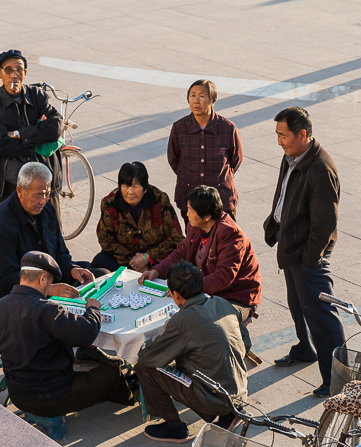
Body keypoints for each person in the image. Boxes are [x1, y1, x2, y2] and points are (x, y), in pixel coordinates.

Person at [0, 162, 118, 364]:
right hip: (16, 294)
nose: (43, 200)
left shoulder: (47, 209)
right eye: (38, 194)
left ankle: (88, 346)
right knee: (53, 312)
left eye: (46, 193)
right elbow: (8, 278)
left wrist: (72, 270)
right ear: (20, 191)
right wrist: (50, 289)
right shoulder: (0, 225)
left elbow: (60, 252)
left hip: (48, 279)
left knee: (98, 274)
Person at [0, 251, 135, 418]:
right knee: (112, 373)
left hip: (17, 394)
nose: (50, 286)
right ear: (42, 279)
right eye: (51, 281)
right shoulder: (48, 310)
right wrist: (93, 310)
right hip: (52, 397)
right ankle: (130, 400)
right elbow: (86, 333)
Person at [263, 107, 345, 397]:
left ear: (303, 134)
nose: (279, 141)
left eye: (283, 135)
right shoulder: (292, 157)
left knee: (322, 316)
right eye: (277, 135)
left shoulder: (320, 169)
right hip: (291, 245)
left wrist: (310, 258)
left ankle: (337, 380)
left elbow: (325, 224)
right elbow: (284, 195)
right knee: (298, 306)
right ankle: (304, 348)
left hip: (307, 254)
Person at [135, 260, 250, 442]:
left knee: (143, 366)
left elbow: (148, 357)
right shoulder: (222, 303)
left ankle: (174, 427)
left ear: (176, 295)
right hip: (240, 389)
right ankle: (230, 412)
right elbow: (246, 343)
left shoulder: (182, 321)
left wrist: (161, 334)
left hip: (213, 398)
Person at [139, 185, 261, 322]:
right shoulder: (195, 225)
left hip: (236, 296)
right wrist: (156, 271)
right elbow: (182, 252)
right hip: (208, 290)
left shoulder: (230, 233)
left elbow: (224, 276)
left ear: (207, 216)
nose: (187, 214)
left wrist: (187, 288)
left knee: (200, 322)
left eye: (191, 210)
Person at [0, 49, 64, 210]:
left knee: (50, 227)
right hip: (13, 178)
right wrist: (38, 137)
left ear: (25, 73)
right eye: (8, 70)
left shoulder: (37, 95)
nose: (14, 74)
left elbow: (56, 127)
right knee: (16, 228)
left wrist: (20, 134)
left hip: (44, 172)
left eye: (19, 69)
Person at [167, 79, 243, 228]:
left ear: (212, 101)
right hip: (190, 196)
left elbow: (236, 159)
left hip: (222, 197)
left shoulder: (227, 128)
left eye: (201, 96)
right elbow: (173, 159)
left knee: (225, 242)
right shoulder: (179, 128)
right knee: (194, 243)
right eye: (192, 95)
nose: (196, 100)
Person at [92, 161, 184, 273]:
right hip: (126, 260)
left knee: (180, 266)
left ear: (145, 188)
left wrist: (147, 258)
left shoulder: (160, 200)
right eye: (125, 186)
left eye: (135, 186)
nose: (130, 192)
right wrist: (135, 262)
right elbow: (105, 240)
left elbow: (176, 238)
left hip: (157, 259)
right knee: (100, 261)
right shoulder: (109, 203)